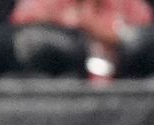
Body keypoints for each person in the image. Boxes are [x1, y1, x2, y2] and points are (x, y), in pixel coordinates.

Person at [10, 0, 153, 79]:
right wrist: (63, 24)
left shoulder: (125, 4)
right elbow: (22, 24)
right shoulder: (46, 4)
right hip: (65, 86)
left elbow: (143, 33)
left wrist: (102, 30)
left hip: (124, 87)